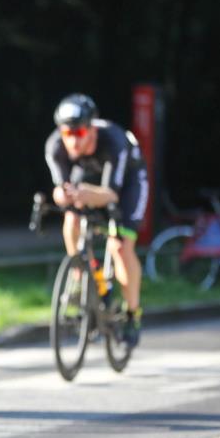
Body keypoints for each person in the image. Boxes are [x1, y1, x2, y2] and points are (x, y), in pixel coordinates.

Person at [45, 93, 148, 348]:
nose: (72, 141)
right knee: (71, 218)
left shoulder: (113, 140)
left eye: (78, 134)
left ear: (92, 129)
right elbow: (61, 189)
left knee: (120, 247)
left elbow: (111, 192)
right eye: (67, 134)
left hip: (127, 185)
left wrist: (85, 194)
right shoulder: (55, 145)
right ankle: (82, 272)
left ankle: (132, 314)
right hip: (90, 177)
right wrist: (63, 195)